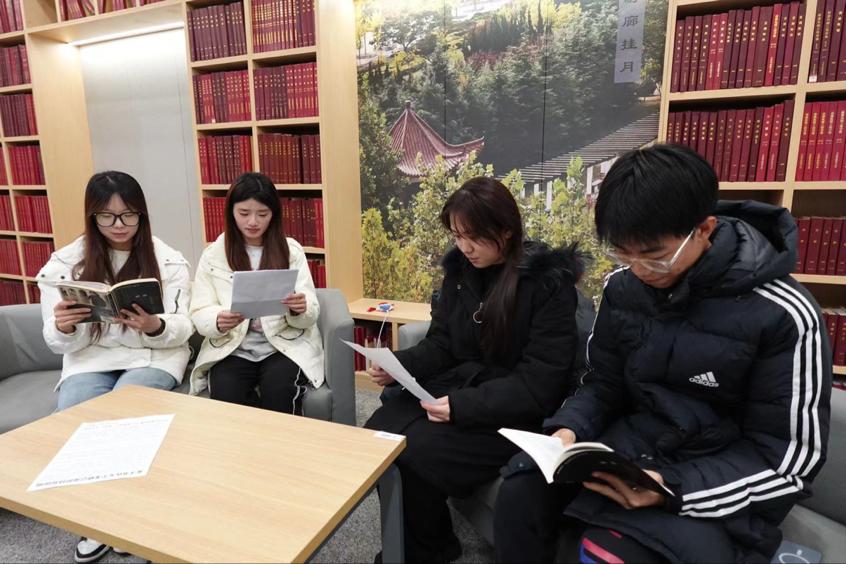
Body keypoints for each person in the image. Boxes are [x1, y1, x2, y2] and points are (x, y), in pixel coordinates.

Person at [494, 143, 832, 563]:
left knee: (610, 552)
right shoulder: (624, 287)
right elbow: (603, 384)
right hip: (631, 456)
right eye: (623, 252)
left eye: (655, 256)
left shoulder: (783, 313)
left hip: (716, 485)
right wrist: (569, 430)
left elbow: (787, 460)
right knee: (519, 491)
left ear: (704, 229)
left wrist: (671, 488)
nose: (638, 269)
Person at [364, 176, 584, 563]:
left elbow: (539, 384)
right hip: (464, 391)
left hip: (515, 413)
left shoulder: (546, 284)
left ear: (506, 230)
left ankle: (422, 551)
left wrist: (462, 406)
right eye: (457, 236)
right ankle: (427, 543)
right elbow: (442, 343)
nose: (464, 248)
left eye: (474, 237)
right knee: (378, 430)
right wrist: (399, 364)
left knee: (416, 448)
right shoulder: (460, 274)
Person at [37, 171, 193, 564]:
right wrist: (64, 325)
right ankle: (94, 521)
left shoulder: (169, 260)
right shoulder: (63, 264)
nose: (119, 225)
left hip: (152, 355)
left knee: (127, 416)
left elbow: (183, 325)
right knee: (75, 416)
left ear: (142, 215)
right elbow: (53, 338)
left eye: (128, 215)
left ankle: (129, 520)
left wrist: (154, 325)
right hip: (90, 356)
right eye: (107, 216)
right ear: (92, 216)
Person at [189, 172, 322, 413]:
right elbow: (199, 310)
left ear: (274, 214)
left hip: (281, 344)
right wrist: (217, 320)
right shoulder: (214, 255)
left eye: (262, 214)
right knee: (227, 395)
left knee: (280, 391)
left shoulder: (291, 251)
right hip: (231, 347)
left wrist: (300, 309)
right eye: (244, 213)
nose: (253, 222)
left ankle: (276, 439)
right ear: (231, 212)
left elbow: (310, 310)